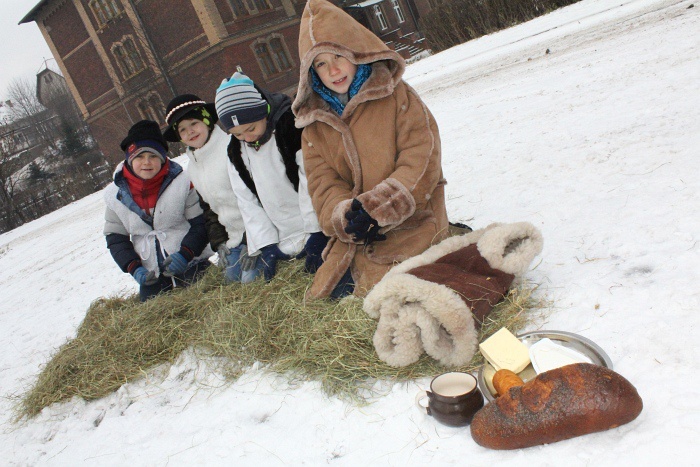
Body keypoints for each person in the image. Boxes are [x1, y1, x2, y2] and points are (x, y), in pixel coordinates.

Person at [291, 0, 450, 299]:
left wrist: (379, 206)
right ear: (311, 73)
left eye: (338, 55)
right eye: (321, 63)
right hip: (359, 237)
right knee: (332, 297)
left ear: (356, 50)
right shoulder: (313, 127)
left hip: (413, 220)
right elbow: (323, 185)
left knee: (402, 295)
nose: (333, 69)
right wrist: (346, 215)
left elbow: (422, 156)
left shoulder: (396, 95)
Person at [213, 71, 327, 281]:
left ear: (263, 111)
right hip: (281, 236)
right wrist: (267, 245)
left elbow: (310, 180)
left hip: (314, 225)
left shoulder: (289, 128)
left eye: (251, 128)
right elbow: (247, 200)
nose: (247, 138)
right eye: (237, 134)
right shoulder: (236, 151)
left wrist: (316, 232)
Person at [103, 120, 212, 301]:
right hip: (151, 272)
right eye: (139, 156)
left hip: (190, 260)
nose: (147, 162)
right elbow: (116, 239)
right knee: (156, 310)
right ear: (129, 159)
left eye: (153, 156)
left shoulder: (182, 182)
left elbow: (200, 223)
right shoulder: (115, 195)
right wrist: (134, 267)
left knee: (207, 296)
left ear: (162, 158)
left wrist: (186, 254)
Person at [162, 94, 253, 283]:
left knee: (250, 281)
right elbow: (210, 210)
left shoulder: (232, 148)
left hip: (259, 232)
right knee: (230, 281)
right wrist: (219, 242)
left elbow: (257, 195)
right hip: (233, 240)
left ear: (207, 120)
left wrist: (252, 239)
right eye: (182, 130)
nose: (190, 132)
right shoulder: (193, 168)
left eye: (194, 123)